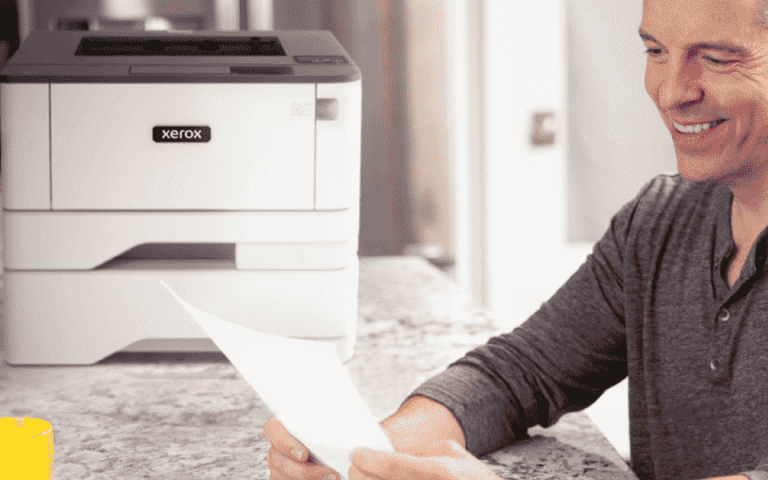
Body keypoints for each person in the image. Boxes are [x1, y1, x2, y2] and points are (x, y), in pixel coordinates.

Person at [265, 0, 768, 478]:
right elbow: (518, 372)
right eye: (655, 51)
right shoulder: (660, 220)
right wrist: (369, 452)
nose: (671, 91)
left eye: (718, 59)